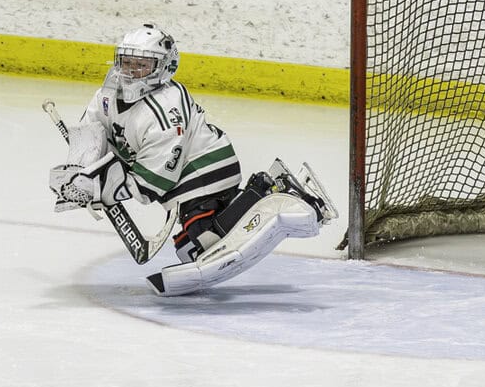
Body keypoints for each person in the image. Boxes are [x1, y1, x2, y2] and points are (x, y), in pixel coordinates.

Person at [46, 23, 336, 294]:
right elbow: (92, 134)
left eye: (142, 65)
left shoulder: (165, 108)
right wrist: (78, 173)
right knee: (189, 246)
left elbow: (153, 184)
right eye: (127, 62)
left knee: (199, 244)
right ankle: (261, 190)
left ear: (163, 67)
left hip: (202, 171)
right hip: (178, 177)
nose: (131, 71)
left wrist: (101, 189)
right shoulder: (106, 95)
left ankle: (268, 191)